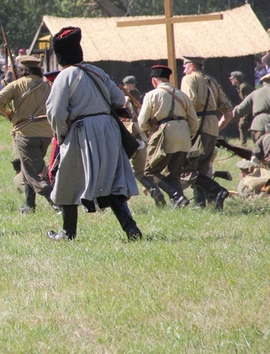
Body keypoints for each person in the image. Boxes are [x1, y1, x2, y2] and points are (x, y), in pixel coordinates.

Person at [45, 27, 142, 241]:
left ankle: (68, 232)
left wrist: (62, 135)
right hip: (109, 129)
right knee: (113, 181)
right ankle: (131, 229)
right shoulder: (97, 72)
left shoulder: (65, 76)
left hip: (81, 131)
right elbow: (118, 99)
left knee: (67, 180)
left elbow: (56, 112)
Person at [0, 55, 56, 214]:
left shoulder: (17, 84)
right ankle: (30, 205)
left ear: (22, 70)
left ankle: (56, 203)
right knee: (28, 167)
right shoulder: (47, 86)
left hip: (26, 134)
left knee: (34, 172)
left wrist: (8, 113)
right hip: (45, 133)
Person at [137, 65, 199, 208]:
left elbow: (141, 122)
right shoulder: (182, 95)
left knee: (150, 171)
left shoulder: (152, 95)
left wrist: (151, 129)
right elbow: (194, 123)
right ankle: (180, 203)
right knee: (174, 174)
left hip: (165, 133)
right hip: (184, 135)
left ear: (154, 81)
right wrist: (187, 135)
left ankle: (177, 196)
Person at [180, 55, 233, 210]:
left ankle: (218, 190)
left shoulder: (189, 79)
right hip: (211, 130)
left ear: (191, 66)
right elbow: (228, 112)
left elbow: (189, 103)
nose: (183, 69)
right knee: (203, 168)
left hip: (196, 129)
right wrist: (217, 127)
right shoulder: (211, 82)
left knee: (187, 169)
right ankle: (200, 205)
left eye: (185, 66)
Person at [219, 73, 270, 143]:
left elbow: (239, 110)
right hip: (260, 124)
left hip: (259, 125)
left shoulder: (255, 93)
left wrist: (221, 124)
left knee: (259, 151)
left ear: (263, 83)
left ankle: (244, 143)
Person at [227, 71, 254, 145]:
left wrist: (246, 113)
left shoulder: (244, 87)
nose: (231, 80)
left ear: (237, 79)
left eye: (232, 79)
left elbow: (249, 101)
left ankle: (243, 143)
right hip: (249, 108)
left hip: (252, 108)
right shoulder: (240, 86)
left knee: (242, 125)